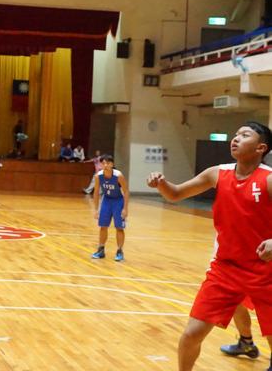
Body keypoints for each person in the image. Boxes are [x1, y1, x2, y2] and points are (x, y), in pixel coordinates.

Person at [146, 122, 272, 371]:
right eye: (235, 134)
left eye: (244, 135)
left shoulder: (268, 179)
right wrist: (161, 184)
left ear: (260, 148)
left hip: (265, 271)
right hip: (225, 269)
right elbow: (175, 194)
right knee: (191, 334)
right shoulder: (217, 173)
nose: (236, 138)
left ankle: (247, 343)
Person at [91, 154, 129, 262]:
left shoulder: (118, 176)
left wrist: (125, 209)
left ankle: (120, 251)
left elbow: (126, 191)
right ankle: (101, 250)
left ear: (112, 164)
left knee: (119, 227)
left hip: (118, 201)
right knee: (103, 226)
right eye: (103, 163)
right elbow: (96, 193)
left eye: (107, 163)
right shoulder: (98, 176)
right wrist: (96, 210)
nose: (105, 165)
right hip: (106, 201)